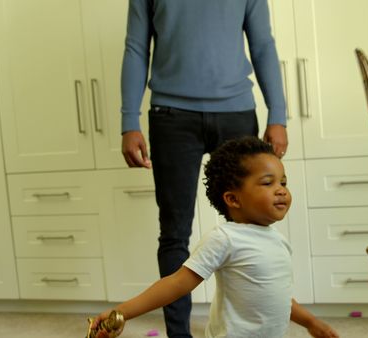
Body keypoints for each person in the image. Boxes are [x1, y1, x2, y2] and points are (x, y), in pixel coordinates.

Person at [119, 1, 289, 337]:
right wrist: (129, 122)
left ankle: (249, 327)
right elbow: (136, 46)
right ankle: (178, 334)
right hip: (171, 116)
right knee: (174, 232)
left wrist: (278, 115)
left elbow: (263, 44)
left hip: (236, 111)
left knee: (250, 227)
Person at [92, 137, 338, 338]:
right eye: (267, 182)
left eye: (283, 182)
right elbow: (177, 283)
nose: (281, 189)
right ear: (233, 199)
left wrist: (311, 322)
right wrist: (121, 312)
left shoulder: (277, 240)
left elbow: (279, 296)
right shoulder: (225, 238)